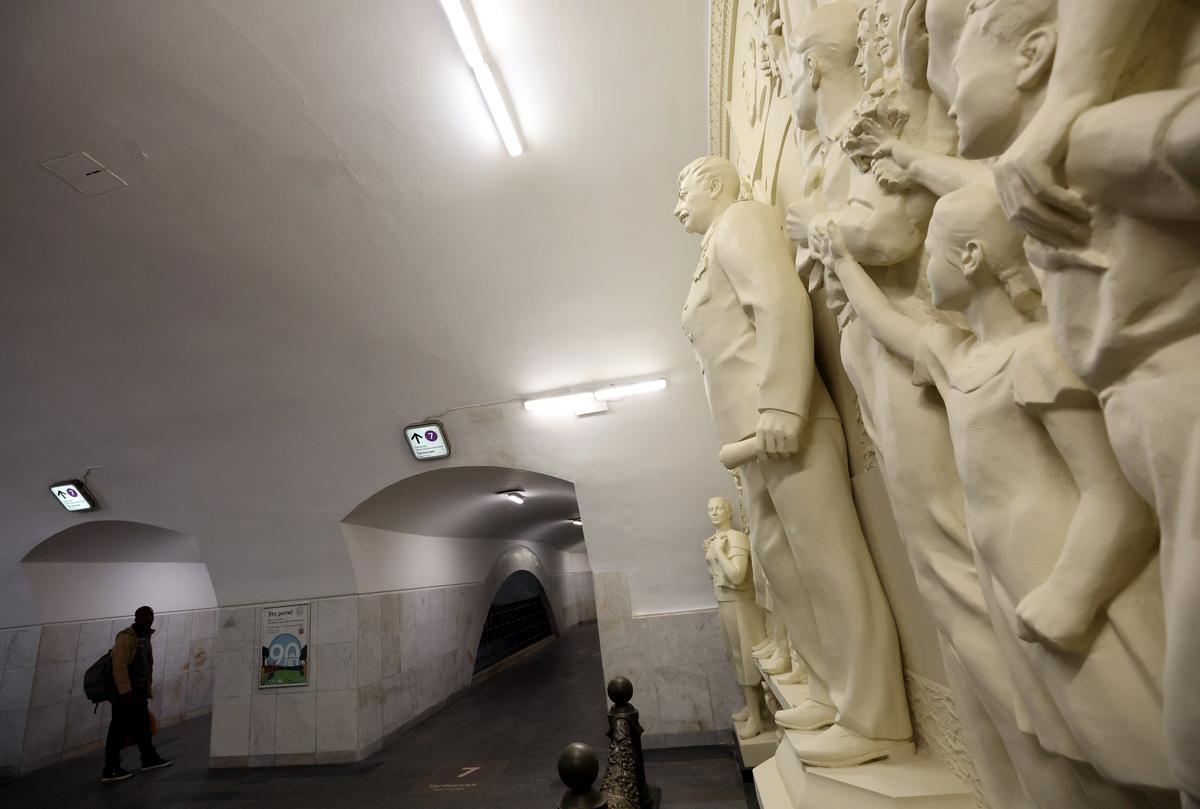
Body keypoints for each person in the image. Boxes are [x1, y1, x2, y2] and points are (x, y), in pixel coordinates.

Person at [102, 605, 172, 782]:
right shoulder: (127, 638)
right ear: (136, 618)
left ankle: (149, 758)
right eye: (145, 617)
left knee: (143, 727)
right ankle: (110, 768)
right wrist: (125, 692)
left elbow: (145, 665)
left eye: (151, 617)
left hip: (138, 692)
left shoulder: (145, 637)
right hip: (125, 694)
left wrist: (145, 689)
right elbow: (119, 667)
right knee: (117, 731)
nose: (149, 620)